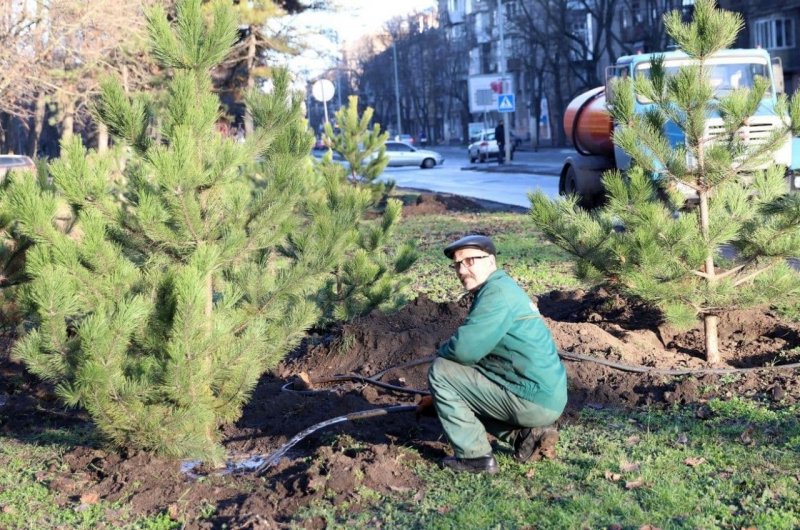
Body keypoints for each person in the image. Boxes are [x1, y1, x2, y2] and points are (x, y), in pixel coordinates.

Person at [423, 234, 567, 474]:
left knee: (441, 372)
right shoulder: (501, 287)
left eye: (470, 261)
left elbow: (464, 350)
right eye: (457, 264)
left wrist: (441, 357)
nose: (461, 269)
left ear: (490, 260)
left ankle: (475, 459)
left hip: (533, 399)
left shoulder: (496, 295)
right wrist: (439, 399)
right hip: (545, 397)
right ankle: (526, 437)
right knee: (456, 381)